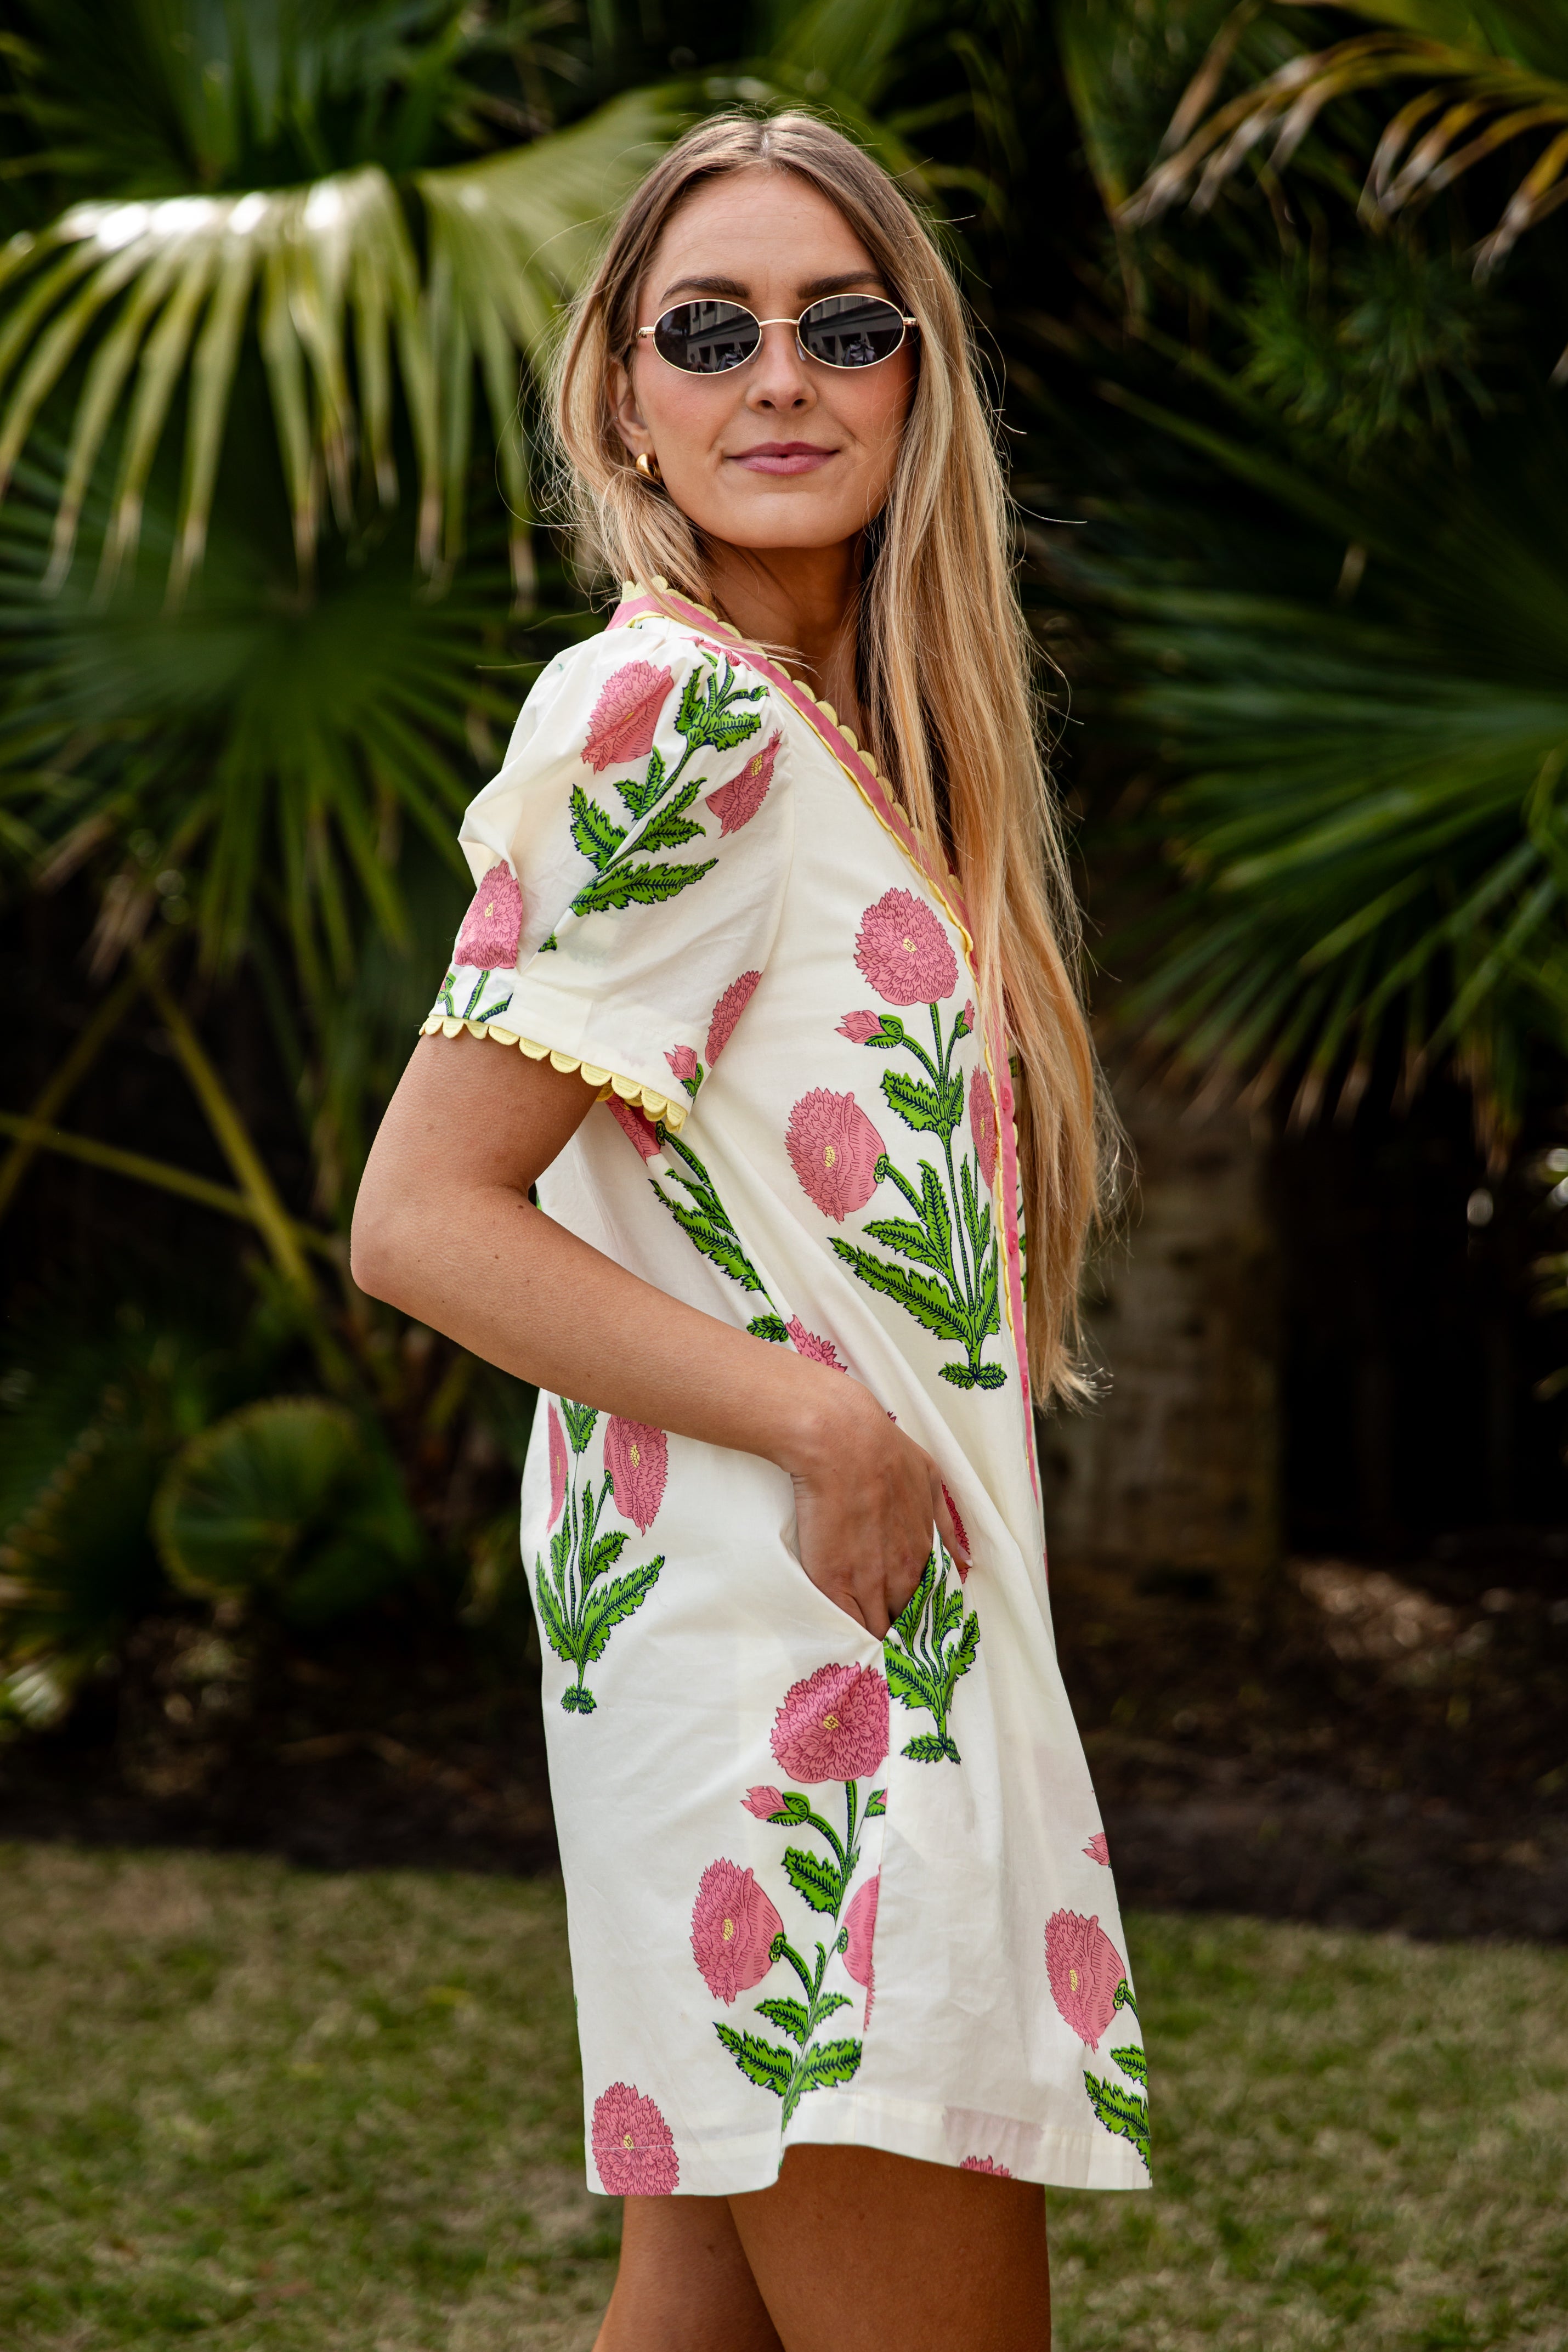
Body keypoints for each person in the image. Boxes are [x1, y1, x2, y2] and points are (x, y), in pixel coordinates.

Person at [352, 107, 1148, 2352]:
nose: (777, 374)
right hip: (795, 1683)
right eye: (709, 329)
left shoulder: (821, 739)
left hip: (814, 1647)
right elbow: (419, 1217)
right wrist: (826, 1424)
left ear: (917, 379)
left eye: (843, 324)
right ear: (625, 391)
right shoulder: (670, 712)